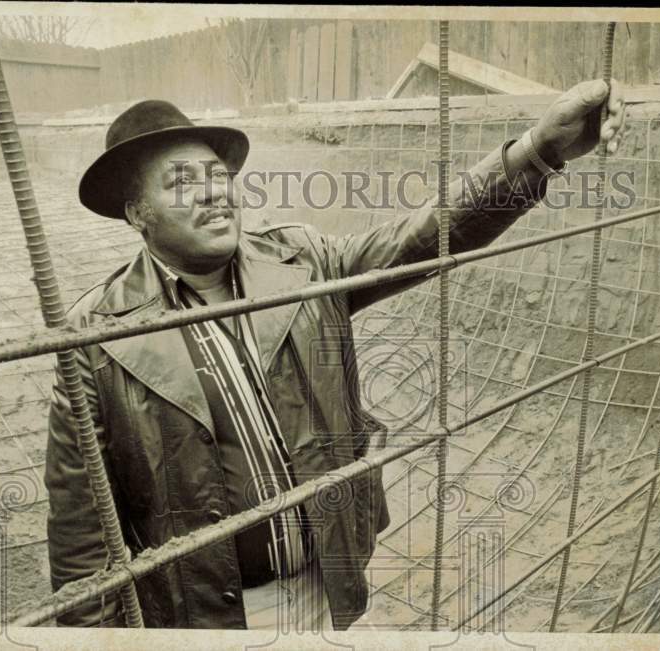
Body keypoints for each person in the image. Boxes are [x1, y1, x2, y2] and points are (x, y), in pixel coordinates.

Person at [44, 78, 626, 630]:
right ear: (134, 213)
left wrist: (536, 152)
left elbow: (422, 236)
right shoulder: (96, 339)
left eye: (217, 175)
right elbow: (82, 541)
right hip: (209, 618)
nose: (212, 194)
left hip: (327, 584)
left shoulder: (303, 262)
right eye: (179, 183)